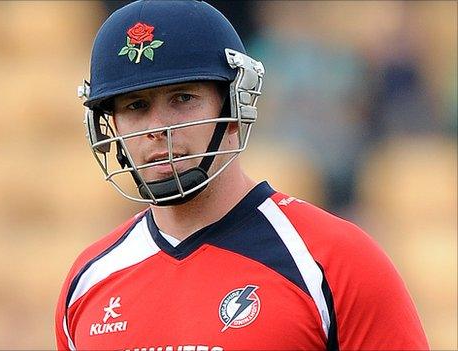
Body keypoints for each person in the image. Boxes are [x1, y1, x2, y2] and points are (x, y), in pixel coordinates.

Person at [55, 1, 429, 350]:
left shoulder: (336, 261)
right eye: (136, 106)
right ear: (110, 126)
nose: (157, 128)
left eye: (182, 98)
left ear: (236, 104)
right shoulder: (88, 284)